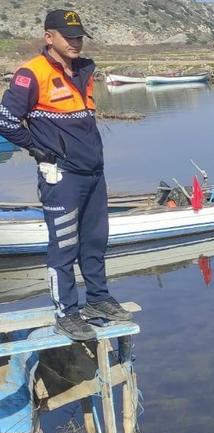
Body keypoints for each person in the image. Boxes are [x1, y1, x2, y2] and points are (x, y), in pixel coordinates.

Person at [0, 10, 132, 340]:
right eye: (68, 36)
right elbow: (6, 121)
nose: (75, 42)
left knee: (95, 240)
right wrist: (39, 150)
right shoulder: (31, 74)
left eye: (78, 36)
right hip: (61, 176)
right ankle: (66, 313)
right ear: (49, 37)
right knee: (64, 246)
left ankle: (98, 300)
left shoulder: (84, 71)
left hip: (93, 173)